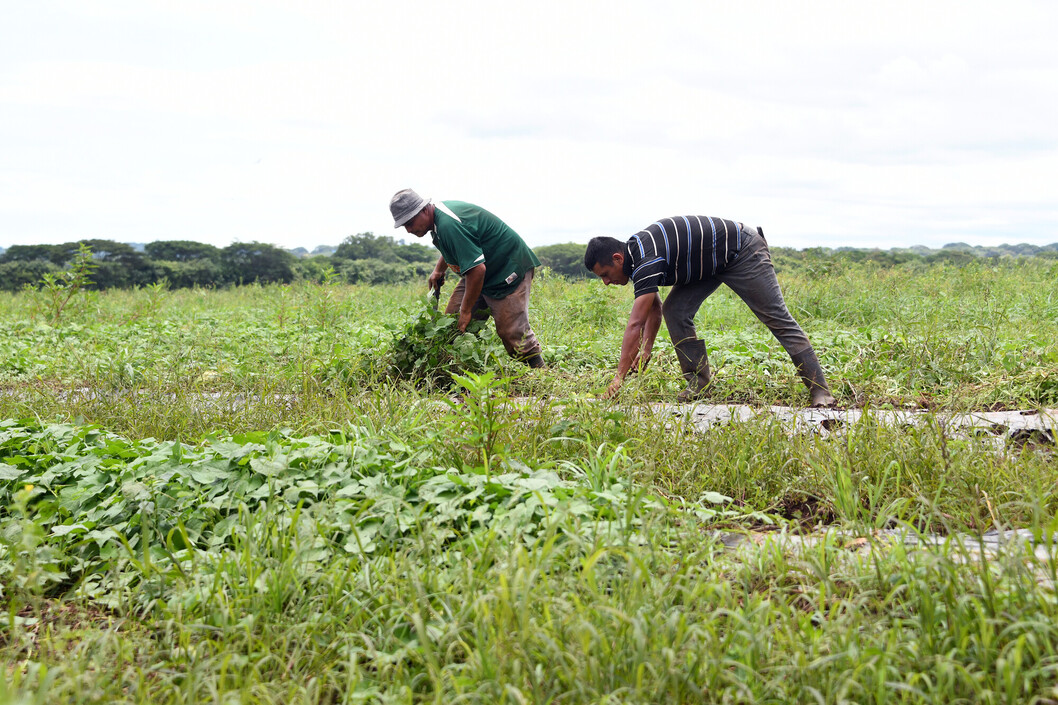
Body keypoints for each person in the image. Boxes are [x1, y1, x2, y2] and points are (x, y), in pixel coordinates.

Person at [583, 217, 837, 406]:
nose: (606, 282)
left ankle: (820, 390)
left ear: (617, 259)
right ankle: (698, 383)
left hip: (742, 250)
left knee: (775, 316)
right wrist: (646, 349)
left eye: (605, 275)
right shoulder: (637, 257)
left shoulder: (646, 260)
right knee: (675, 309)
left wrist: (618, 378)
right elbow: (656, 310)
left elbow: (635, 324)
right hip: (707, 264)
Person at [389, 188, 545, 368]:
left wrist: (466, 310)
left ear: (424, 210)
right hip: (479, 273)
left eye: (409, 223)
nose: (408, 230)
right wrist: (439, 269)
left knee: (512, 333)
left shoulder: (448, 224)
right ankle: (456, 373)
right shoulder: (437, 222)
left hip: (507, 267)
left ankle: (540, 373)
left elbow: (477, 269)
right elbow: (458, 246)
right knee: (451, 324)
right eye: (404, 226)